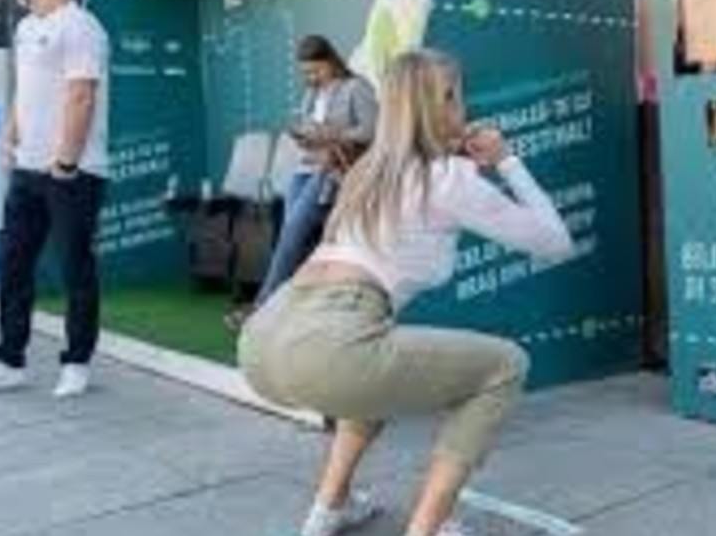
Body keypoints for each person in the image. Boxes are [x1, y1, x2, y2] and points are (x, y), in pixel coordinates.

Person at [237, 49, 574, 536]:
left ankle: (328, 509)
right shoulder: (448, 178)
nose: (463, 105)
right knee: (505, 366)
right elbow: (555, 241)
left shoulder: (368, 172)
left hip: (263, 340)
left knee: (371, 381)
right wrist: (506, 160)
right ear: (444, 102)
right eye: (456, 95)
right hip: (326, 344)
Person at [0, 0, 110, 399]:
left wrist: (66, 161)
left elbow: (81, 95)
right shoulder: (26, 28)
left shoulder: (81, 26)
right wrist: (11, 132)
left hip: (73, 172)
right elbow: (27, 88)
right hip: (27, 169)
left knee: (75, 266)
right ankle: (8, 361)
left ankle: (77, 362)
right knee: (14, 263)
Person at [227, 35, 378, 326]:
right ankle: (291, 307)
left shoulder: (356, 88)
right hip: (305, 169)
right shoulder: (311, 93)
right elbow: (309, 126)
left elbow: (372, 130)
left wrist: (331, 135)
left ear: (331, 61)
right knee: (292, 237)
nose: (311, 77)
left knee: (292, 233)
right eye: (306, 72)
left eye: (315, 70)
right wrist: (303, 134)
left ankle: (262, 308)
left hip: (333, 171)